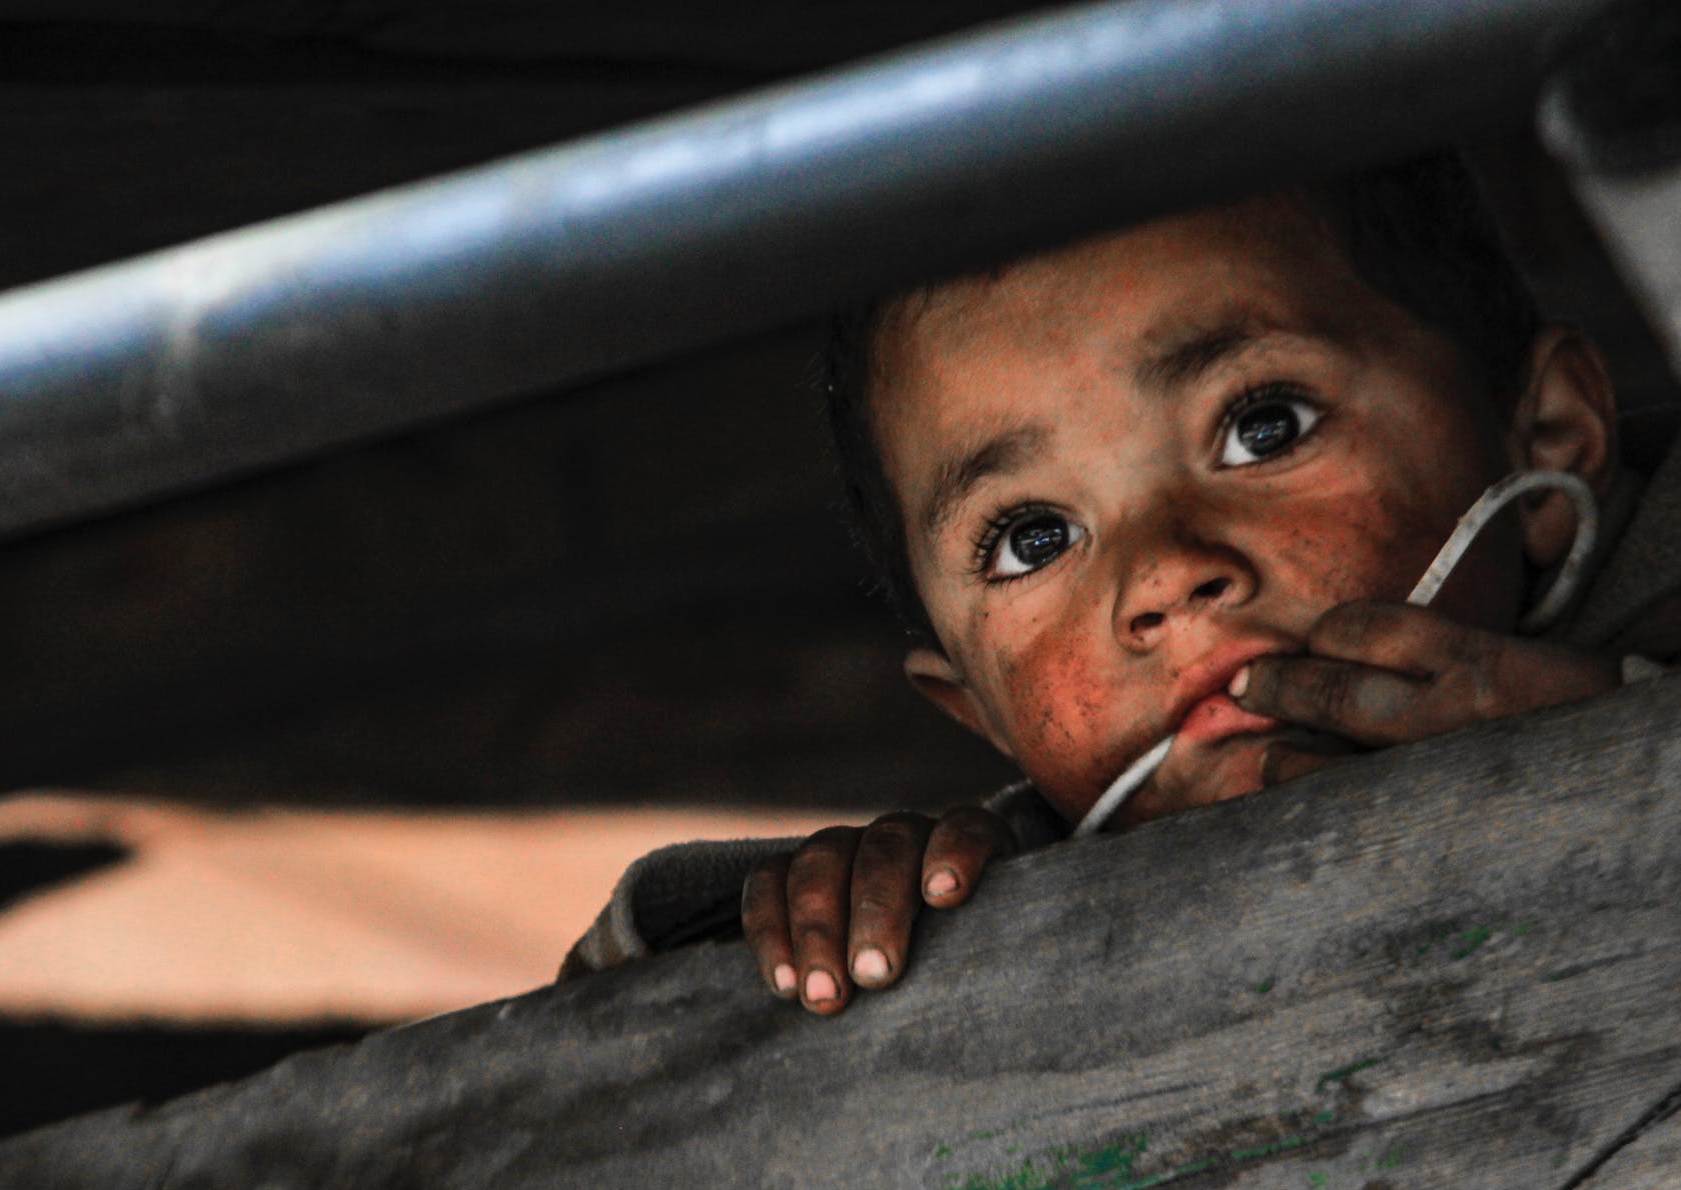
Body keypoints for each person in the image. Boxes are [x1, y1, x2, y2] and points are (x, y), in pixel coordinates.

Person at [560, 153, 1681, 1013]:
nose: (1163, 574)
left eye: (1262, 426)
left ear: (1546, 436)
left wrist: (1629, 755)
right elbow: (570, 1076)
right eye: (1032, 539)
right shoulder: (1002, 883)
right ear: (977, 712)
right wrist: (844, 921)